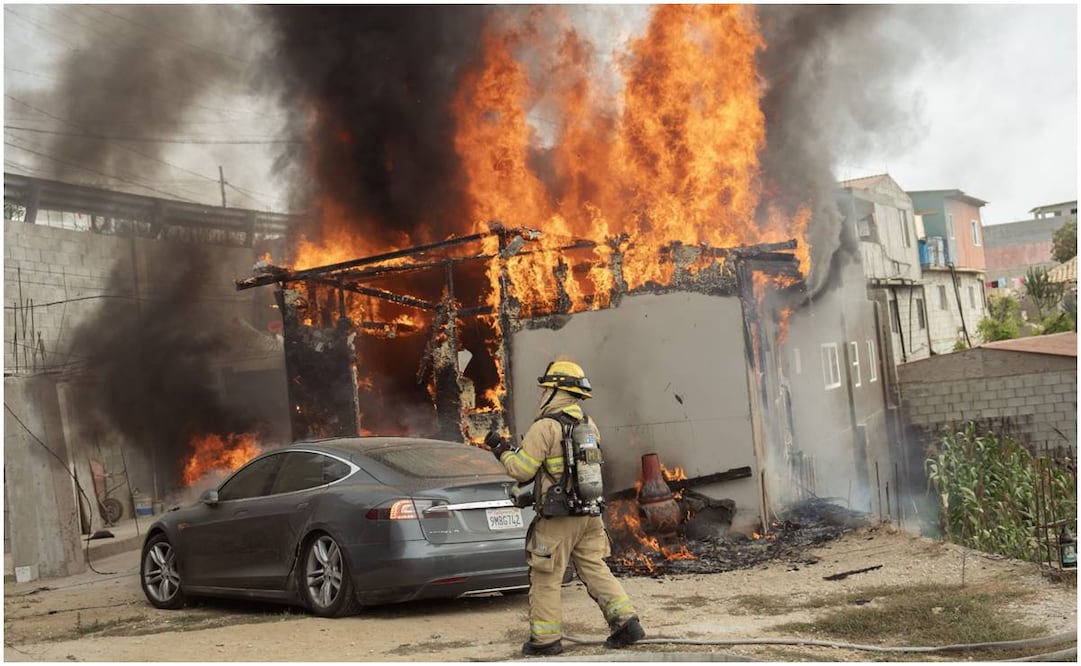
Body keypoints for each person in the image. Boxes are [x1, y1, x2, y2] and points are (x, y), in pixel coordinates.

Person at [486, 360, 646, 657]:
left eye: (545, 389)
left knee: (546, 575)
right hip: (589, 513)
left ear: (555, 391)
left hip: (559, 517)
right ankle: (627, 624)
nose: (541, 394)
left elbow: (521, 470)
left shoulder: (545, 427)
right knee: (595, 568)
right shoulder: (588, 424)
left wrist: (502, 451)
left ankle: (545, 641)